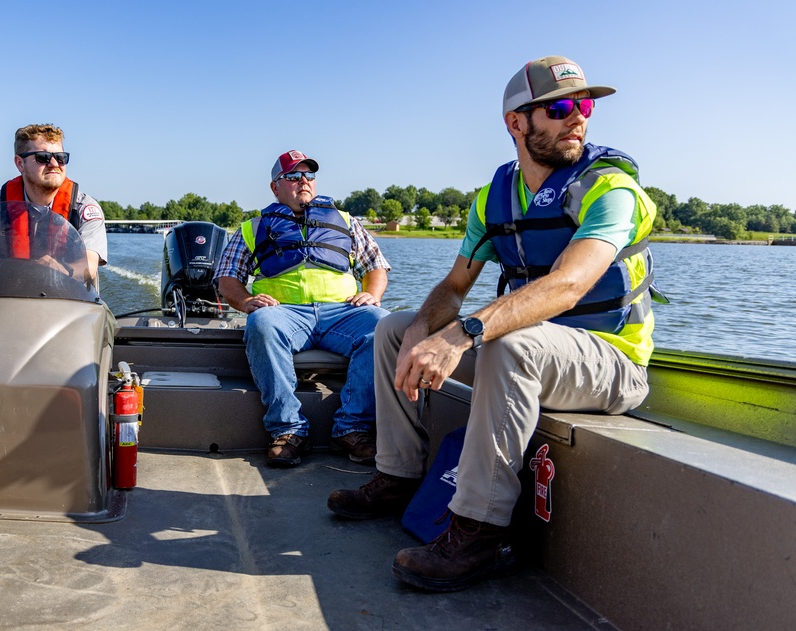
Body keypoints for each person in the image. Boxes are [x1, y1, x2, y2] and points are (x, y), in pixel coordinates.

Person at [327, 56, 662, 591]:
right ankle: (397, 477)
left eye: (586, 105)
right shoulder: (492, 199)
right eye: (560, 107)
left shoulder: (610, 189)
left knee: (509, 344)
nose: (579, 117)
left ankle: (481, 533)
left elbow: (570, 284)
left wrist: (463, 333)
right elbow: (453, 288)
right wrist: (425, 330)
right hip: (536, 351)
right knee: (393, 327)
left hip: (610, 362)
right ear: (517, 123)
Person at [214, 150, 392, 468]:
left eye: (309, 176)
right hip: (286, 313)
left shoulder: (347, 222)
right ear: (275, 187)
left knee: (383, 325)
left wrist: (372, 294)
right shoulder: (252, 228)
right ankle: (289, 430)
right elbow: (227, 278)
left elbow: (376, 266)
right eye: (293, 177)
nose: (303, 182)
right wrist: (244, 302)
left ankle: (352, 428)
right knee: (262, 324)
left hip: (342, 312)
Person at [0, 124, 108, 285]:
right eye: (43, 157)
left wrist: (62, 268)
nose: (54, 164)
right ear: (20, 163)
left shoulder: (83, 208)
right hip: (9, 297)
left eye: (61, 157)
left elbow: (89, 265)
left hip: (70, 301)